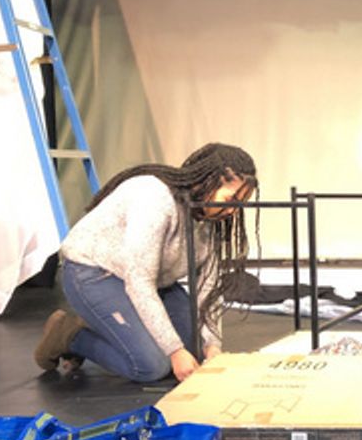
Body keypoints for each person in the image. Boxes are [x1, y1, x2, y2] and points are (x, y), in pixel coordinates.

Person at [33, 143, 258, 383]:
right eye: (231, 199)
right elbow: (139, 281)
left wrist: (213, 345)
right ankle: (70, 334)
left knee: (194, 352)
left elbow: (207, 288)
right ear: (206, 182)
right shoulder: (156, 199)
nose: (233, 211)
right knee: (152, 366)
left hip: (153, 283)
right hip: (94, 274)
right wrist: (173, 350)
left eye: (239, 204)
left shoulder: (209, 217)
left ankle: (115, 328)